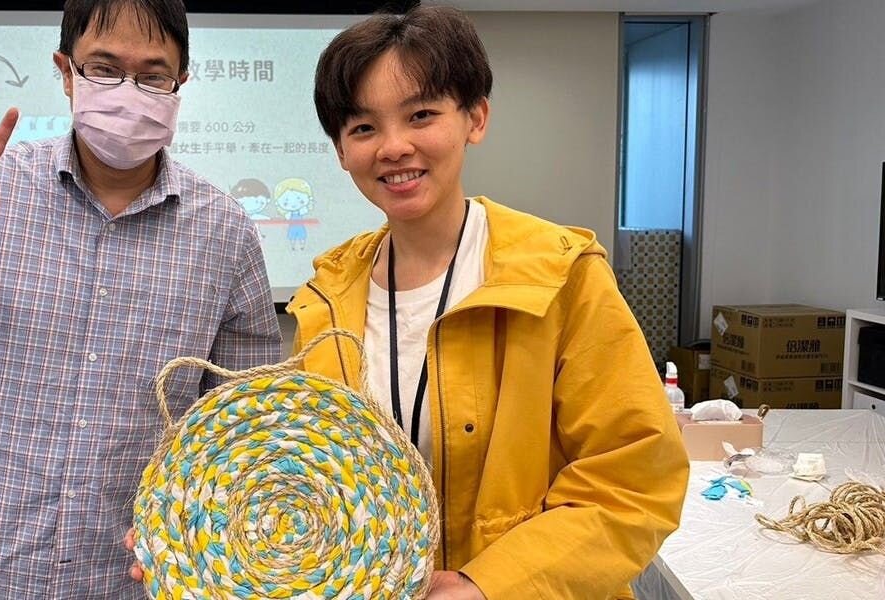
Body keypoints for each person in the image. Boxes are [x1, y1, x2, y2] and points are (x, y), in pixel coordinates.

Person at [0, 0, 281, 597]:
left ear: (181, 83)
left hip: (135, 577)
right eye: (102, 67)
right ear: (66, 71)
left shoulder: (225, 231)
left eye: (152, 75)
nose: (129, 92)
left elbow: (242, 427)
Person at [284, 6, 689, 599]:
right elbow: (307, 485)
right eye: (363, 128)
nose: (394, 147)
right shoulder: (326, 299)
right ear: (341, 151)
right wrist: (208, 546)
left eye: (421, 115)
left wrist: (486, 586)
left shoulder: (563, 277)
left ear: (475, 118)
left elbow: (635, 481)